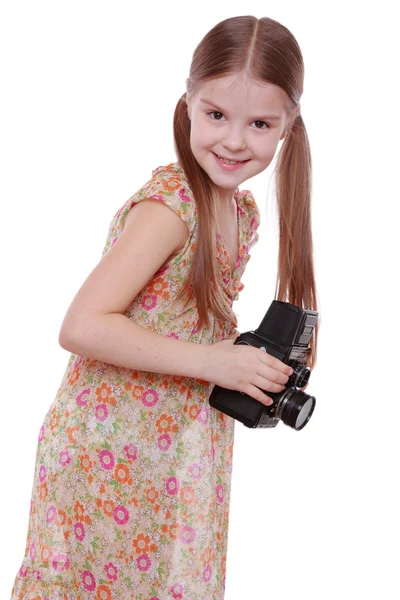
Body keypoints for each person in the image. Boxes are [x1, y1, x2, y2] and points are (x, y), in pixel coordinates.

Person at [10, 14, 319, 600]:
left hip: (177, 451)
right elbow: (81, 325)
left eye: (259, 124)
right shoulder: (173, 205)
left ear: (288, 127)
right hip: (108, 454)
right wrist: (214, 363)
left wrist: (245, 366)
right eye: (216, 115)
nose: (233, 140)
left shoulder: (241, 213)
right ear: (188, 105)